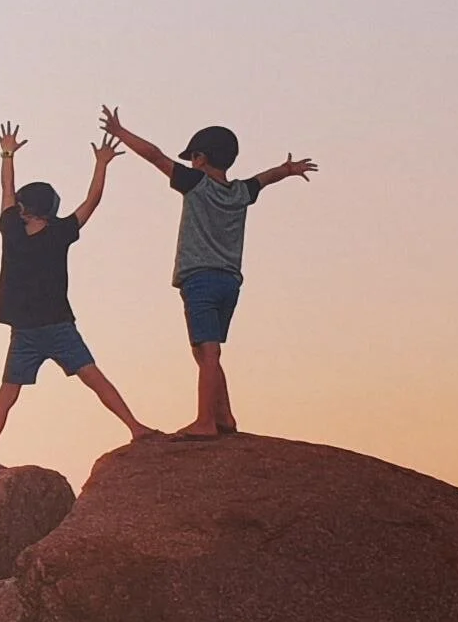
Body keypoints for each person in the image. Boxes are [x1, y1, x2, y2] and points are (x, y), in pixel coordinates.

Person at [100, 106, 317, 437]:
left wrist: (120, 131)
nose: (188, 163)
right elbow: (266, 178)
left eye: (192, 158)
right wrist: (288, 169)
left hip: (200, 277)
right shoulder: (241, 191)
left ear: (200, 158)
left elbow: (155, 156)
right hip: (230, 282)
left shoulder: (196, 184)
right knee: (206, 351)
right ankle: (224, 417)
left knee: (208, 349)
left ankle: (205, 422)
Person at [0, 122, 154, 473]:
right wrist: (101, 165)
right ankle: (135, 427)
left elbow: (6, 189)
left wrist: (8, 153)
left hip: (25, 331)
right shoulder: (60, 233)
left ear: (25, 209)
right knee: (94, 377)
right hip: (58, 325)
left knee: (7, 394)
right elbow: (92, 202)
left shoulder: (12, 230)